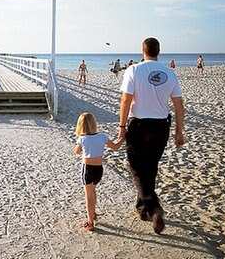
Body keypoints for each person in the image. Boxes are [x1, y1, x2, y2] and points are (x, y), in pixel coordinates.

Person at [118, 37, 185, 234]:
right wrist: (179, 132)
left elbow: (126, 99)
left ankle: (154, 207)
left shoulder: (134, 70)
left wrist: (122, 126)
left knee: (136, 167)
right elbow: (179, 105)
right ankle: (142, 208)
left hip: (138, 125)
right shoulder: (169, 73)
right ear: (159, 51)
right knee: (150, 167)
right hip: (160, 127)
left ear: (143, 50)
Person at [74, 112, 123, 231]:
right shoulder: (102, 136)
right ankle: (93, 213)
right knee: (93, 190)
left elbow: (77, 151)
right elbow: (116, 147)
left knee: (89, 196)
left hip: (88, 169)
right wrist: (122, 137)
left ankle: (90, 222)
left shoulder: (82, 138)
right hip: (99, 170)